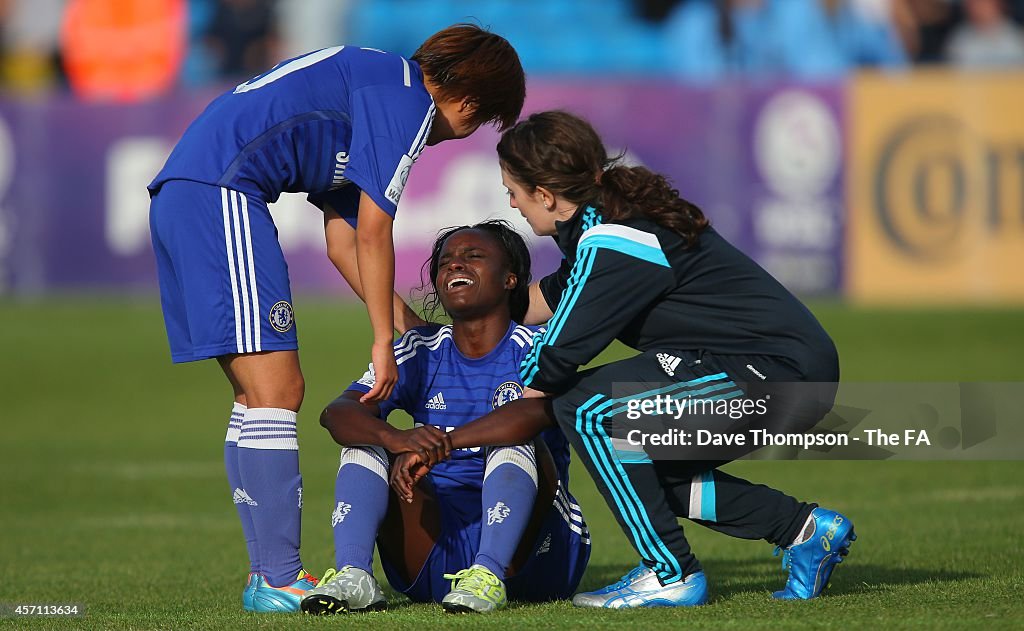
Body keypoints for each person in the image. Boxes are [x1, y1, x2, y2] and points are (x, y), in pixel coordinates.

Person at [395, 110, 854, 609]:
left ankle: (670, 573)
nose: (512, 204)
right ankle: (805, 531)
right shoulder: (603, 227)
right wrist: (393, 308)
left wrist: (451, 438)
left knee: (587, 409)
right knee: (641, 469)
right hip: (769, 371)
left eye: (514, 191)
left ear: (545, 195)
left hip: (775, 374)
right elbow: (527, 306)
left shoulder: (612, 243)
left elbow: (550, 367)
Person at [146, 25, 525, 613]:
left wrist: (409, 328)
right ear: (471, 104)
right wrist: (382, 343)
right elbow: (375, 231)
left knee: (256, 396)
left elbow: (343, 241)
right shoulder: (406, 101)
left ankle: (265, 579)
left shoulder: (374, 85)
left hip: (189, 191)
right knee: (279, 389)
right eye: (474, 125)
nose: (455, 138)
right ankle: (278, 577)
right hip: (223, 193)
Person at [302, 221, 590, 614]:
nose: (455, 266)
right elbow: (338, 413)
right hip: (434, 552)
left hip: (535, 557)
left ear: (511, 279)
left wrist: (443, 442)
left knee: (514, 436)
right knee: (365, 438)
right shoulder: (421, 350)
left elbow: (534, 413)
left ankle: (488, 573)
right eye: (446, 262)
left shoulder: (539, 348)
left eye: (473, 257)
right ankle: (354, 575)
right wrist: (397, 440)